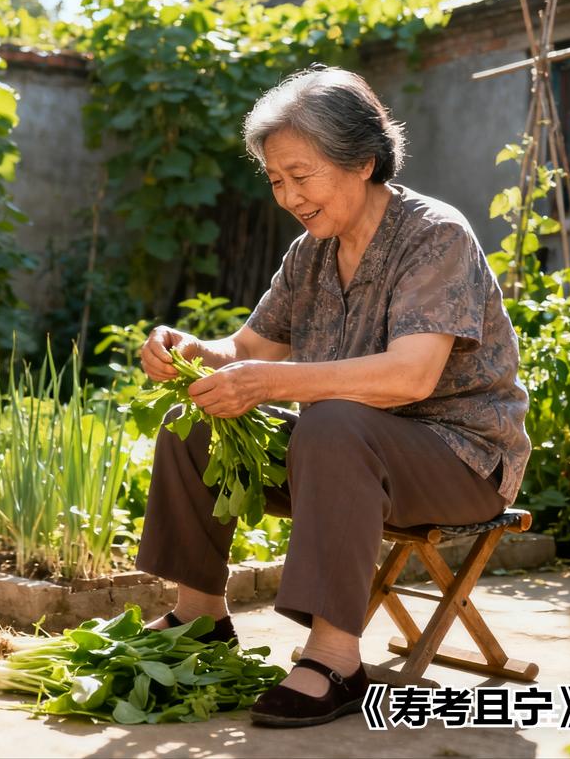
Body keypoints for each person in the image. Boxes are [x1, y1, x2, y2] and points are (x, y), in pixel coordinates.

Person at [134, 66, 530, 727]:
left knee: (333, 426)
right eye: (275, 180)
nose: (288, 195)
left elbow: (410, 376)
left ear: (362, 161)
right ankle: (201, 614)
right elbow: (247, 349)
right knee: (190, 422)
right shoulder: (308, 255)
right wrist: (193, 353)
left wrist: (276, 384)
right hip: (344, 456)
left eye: (301, 174)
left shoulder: (435, 235)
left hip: (461, 459)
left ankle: (336, 660)